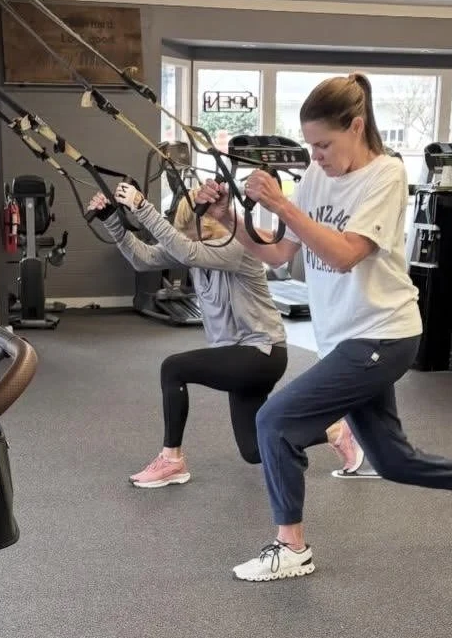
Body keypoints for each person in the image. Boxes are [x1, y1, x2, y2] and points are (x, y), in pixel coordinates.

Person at [194, 74, 452, 581]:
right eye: (310, 145)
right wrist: (230, 220)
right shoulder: (316, 178)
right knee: (394, 460)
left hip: (385, 333)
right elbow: (279, 253)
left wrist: (284, 203)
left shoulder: (386, 175)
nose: (316, 156)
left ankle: (290, 546)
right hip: (345, 339)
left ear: (357, 126)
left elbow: (345, 254)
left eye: (324, 144)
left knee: (273, 421)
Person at [88, 181, 366, 487]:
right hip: (238, 358)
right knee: (252, 449)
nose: (180, 238)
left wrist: (142, 207)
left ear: (202, 226)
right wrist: (112, 220)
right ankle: (336, 431)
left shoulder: (237, 248)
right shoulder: (192, 249)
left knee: (173, 367)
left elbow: (186, 250)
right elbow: (144, 259)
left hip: (262, 353)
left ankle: (172, 459)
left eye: (185, 230)